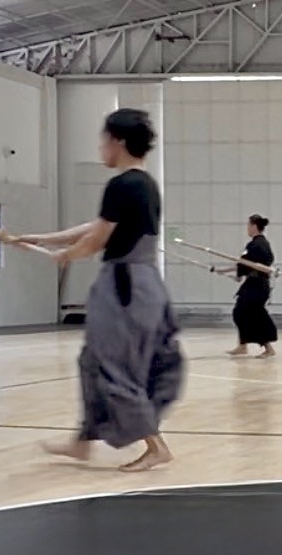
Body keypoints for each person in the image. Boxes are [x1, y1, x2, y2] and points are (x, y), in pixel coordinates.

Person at [10, 109, 183, 470]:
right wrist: (41, 239)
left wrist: (66, 256)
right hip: (140, 283)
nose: (101, 148)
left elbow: (96, 240)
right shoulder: (143, 184)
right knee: (92, 360)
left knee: (112, 364)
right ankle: (83, 442)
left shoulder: (124, 185)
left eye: (103, 141)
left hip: (126, 286)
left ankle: (155, 446)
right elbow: (97, 226)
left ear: (118, 141)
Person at [227, 214, 278, 358]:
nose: (247, 229)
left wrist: (238, 273)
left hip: (257, 286)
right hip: (255, 285)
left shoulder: (257, 245)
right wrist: (224, 271)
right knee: (241, 313)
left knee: (254, 315)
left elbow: (247, 263)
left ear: (254, 226)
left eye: (248, 225)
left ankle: (268, 348)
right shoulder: (260, 244)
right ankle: (243, 345)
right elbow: (244, 263)